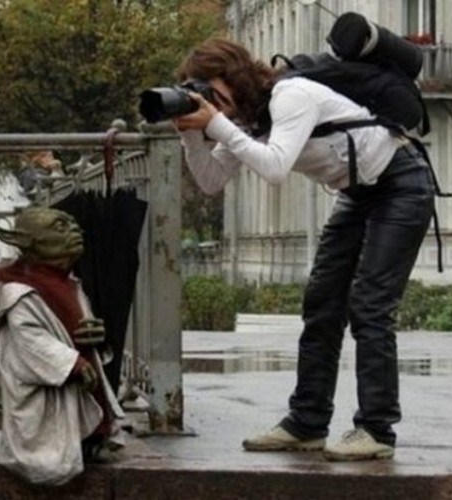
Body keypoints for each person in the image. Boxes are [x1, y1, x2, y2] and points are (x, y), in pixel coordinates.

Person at [172, 38, 435, 461]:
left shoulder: (290, 95)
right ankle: (307, 423)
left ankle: (376, 429)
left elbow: (275, 167)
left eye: (214, 93)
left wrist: (217, 125)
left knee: (369, 306)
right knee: (321, 305)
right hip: (357, 193)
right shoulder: (248, 119)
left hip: (401, 185)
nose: (214, 106)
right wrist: (190, 133)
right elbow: (211, 180)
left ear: (235, 79)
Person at [0, 207, 124, 485]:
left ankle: (93, 440)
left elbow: (80, 323)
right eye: (60, 227)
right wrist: (72, 362)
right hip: (49, 382)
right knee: (51, 436)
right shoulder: (18, 292)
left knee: (87, 409)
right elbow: (31, 341)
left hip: (81, 376)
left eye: (74, 225)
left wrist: (97, 336)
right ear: (27, 241)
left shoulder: (70, 283)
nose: (75, 231)